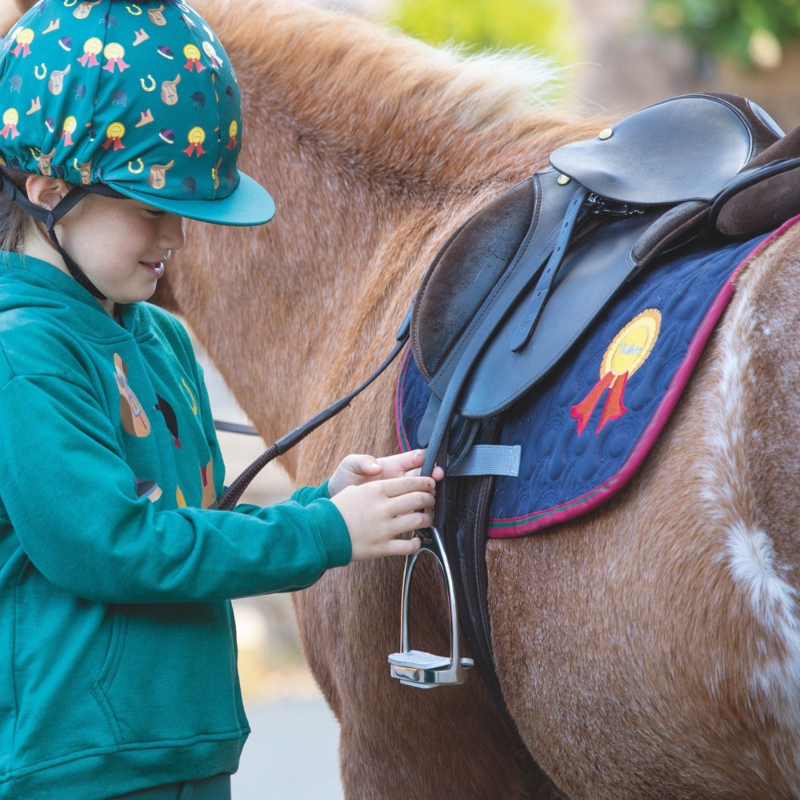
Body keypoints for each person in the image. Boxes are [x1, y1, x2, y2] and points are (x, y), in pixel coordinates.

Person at [0, 2, 440, 798]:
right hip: (77, 769)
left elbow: (187, 527)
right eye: (150, 209)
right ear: (48, 186)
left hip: (188, 751)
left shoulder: (159, 343)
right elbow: (111, 546)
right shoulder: (21, 351)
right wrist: (322, 533)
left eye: (187, 213)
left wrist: (325, 499)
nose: (175, 241)